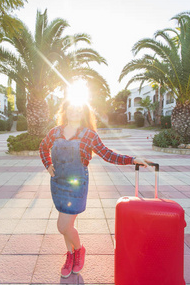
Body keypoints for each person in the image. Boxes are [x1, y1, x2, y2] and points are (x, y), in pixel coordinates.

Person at [39, 100, 150, 278]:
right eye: (71, 107)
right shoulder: (55, 132)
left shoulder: (89, 135)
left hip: (76, 185)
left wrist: (132, 159)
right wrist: (48, 165)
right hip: (58, 183)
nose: (74, 111)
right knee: (67, 226)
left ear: (82, 112)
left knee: (63, 226)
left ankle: (79, 250)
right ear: (65, 110)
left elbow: (108, 154)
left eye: (78, 108)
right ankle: (70, 255)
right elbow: (43, 147)